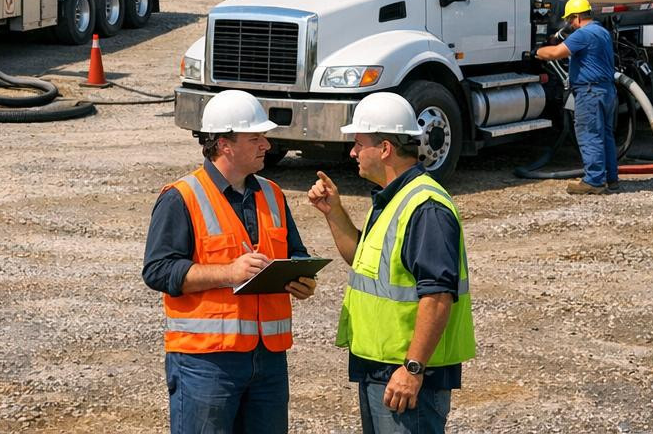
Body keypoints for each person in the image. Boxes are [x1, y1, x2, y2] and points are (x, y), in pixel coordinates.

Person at [142, 89, 317, 433]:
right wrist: (229, 272)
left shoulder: (272, 193)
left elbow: (295, 252)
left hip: (268, 360)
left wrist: (301, 275)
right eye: (256, 138)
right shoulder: (181, 197)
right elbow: (158, 270)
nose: (266, 145)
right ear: (225, 144)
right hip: (206, 362)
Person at [308, 93, 475, 434]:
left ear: (384, 148)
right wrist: (334, 213)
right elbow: (363, 261)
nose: (353, 152)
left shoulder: (426, 207)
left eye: (358, 143)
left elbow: (439, 296)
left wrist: (413, 368)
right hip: (380, 368)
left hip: (407, 374)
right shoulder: (394, 198)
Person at [535, 0, 618, 194]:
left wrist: (536, 51)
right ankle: (610, 178)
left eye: (570, 20)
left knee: (589, 135)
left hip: (589, 92)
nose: (570, 24)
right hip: (607, 90)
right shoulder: (602, 31)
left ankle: (594, 181)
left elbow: (556, 53)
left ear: (578, 17)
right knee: (605, 135)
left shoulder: (583, 34)